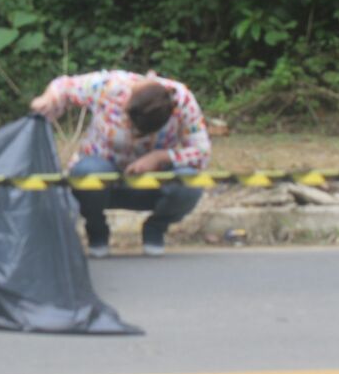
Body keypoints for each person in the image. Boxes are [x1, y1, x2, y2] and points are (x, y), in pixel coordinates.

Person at [30, 70, 211, 258]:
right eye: (130, 125)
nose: (133, 134)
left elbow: (202, 151)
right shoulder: (109, 86)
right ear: (127, 104)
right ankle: (96, 229)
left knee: (191, 182)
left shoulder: (183, 101)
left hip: (152, 182)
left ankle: (156, 227)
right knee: (86, 171)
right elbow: (64, 86)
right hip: (101, 176)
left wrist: (160, 157)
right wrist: (47, 98)